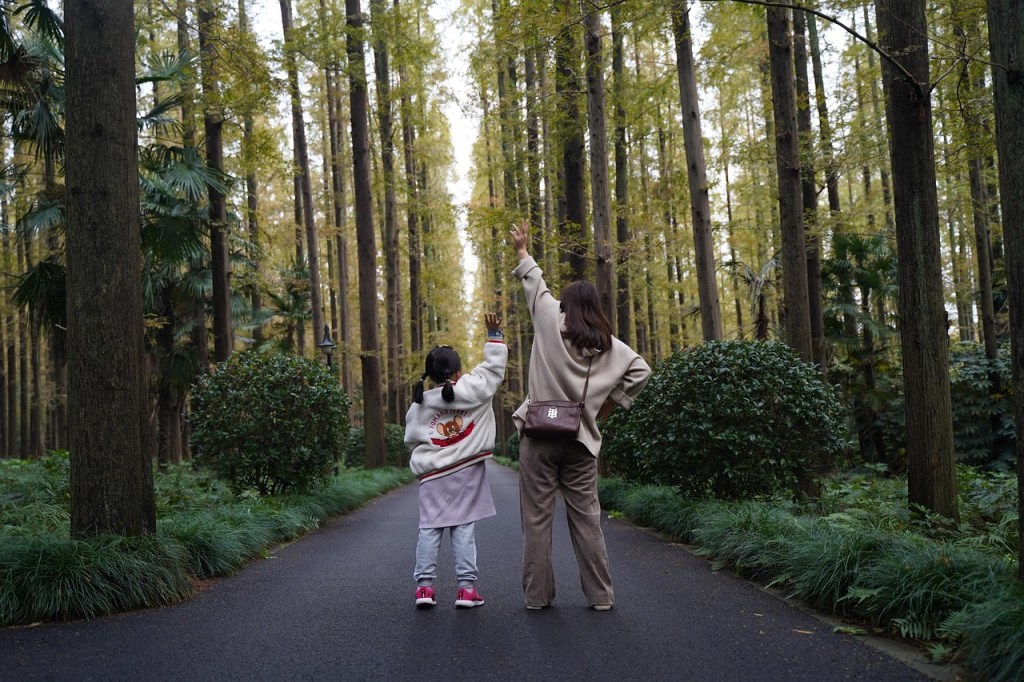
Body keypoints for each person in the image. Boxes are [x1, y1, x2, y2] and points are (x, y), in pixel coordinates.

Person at [510, 222, 651, 611]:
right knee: (587, 520)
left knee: (537, 521)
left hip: (538, 438)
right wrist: (604, 406)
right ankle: (601, 597)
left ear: (564, 306)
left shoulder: (546, 318)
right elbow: (642, 370)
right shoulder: (609, 346)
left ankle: (537, 597)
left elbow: (534, 281)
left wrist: (523, 248)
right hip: (580, 440)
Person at [406, 312, 508, 609]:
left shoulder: (420, 403)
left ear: (430, 375)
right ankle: (466, 590)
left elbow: (412, 438)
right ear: (458, 373)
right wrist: (494, 336)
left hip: (432, 475)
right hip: (467, 472)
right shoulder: (471, 391)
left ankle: (424, 589)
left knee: (429, 529)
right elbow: (491, 372)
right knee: (463, 529)